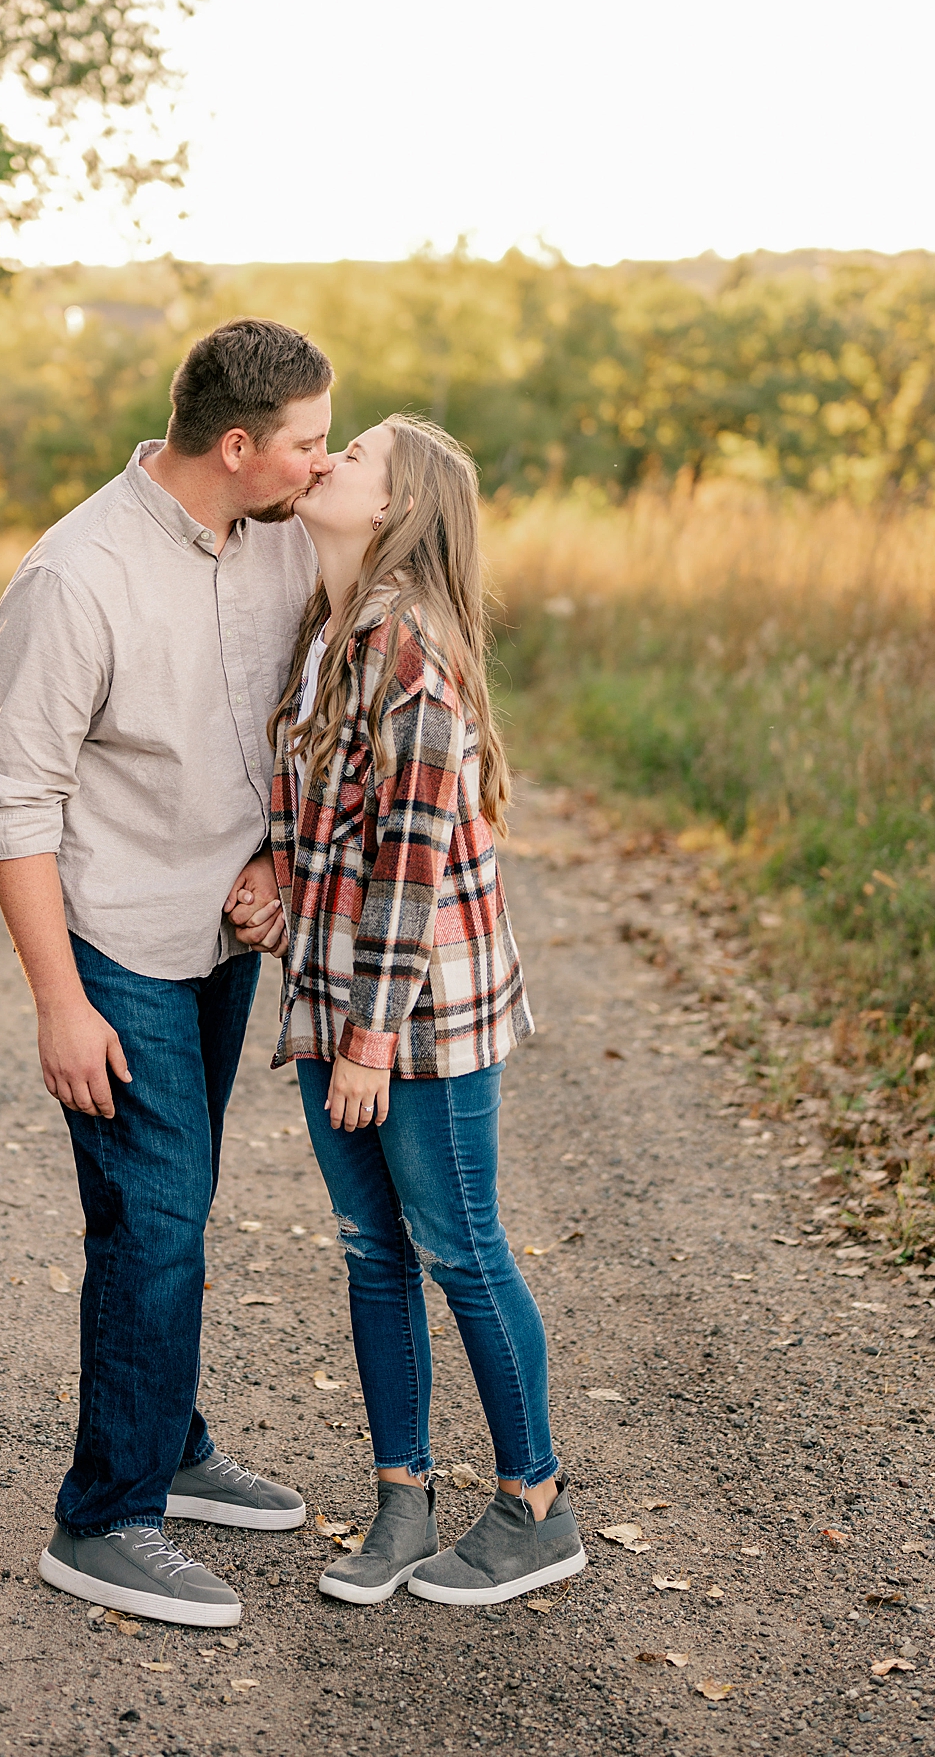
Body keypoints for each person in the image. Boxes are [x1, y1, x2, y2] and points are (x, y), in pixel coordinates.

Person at [0, 317, 333, 1629]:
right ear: (237, 446)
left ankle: (170, 1439)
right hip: (112, 939)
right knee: (155, 1216)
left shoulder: (285, 537)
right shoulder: (78, 576)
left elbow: (301, 723)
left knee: (184, 1203)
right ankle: (107, 1515)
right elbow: (15, 807)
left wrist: (283, 859)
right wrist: (59, 1000)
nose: (322, 466)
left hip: (223, 938)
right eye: (306, 444)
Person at [250, 414, 586, 1607]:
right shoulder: (329, 629)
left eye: (358, 459)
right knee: (370, 1247)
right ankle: (402, 1500)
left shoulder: (411, 647)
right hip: (336, 990)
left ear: (397, 510)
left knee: (459, 1245)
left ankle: (536, 1504)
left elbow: (409, 854)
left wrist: (373, 1037)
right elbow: (324, 808)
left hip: (414, 1011)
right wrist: (272, 872)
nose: (329, 463)